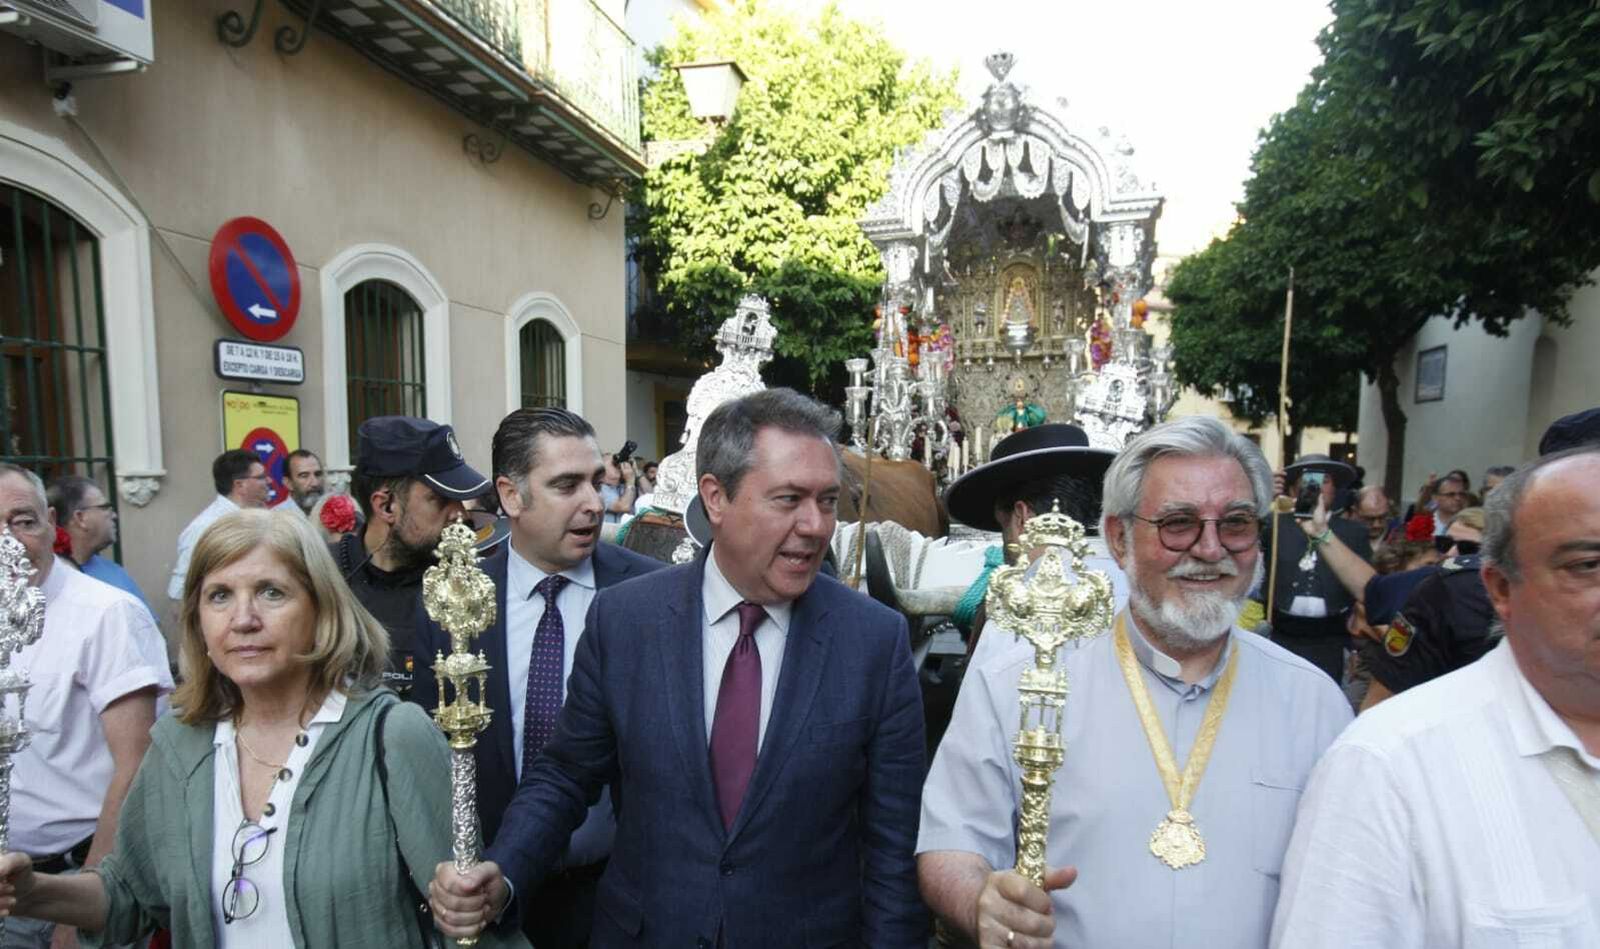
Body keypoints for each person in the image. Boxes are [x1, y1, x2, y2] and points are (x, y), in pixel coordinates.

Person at [428, 388, 927, 947]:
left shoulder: (874, 643)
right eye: (788, 499)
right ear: (715, 497)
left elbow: (892, 852)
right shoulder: (626, 621)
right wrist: (506, 873)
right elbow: (566, 775)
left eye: (828, 500)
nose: (815, 525)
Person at [0, 509, 529, 948]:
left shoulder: (390, 736)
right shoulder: (180, 745)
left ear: (322, 610)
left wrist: (470, 904)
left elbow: (466, 920)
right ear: (198, 621)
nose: (243, 619)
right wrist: (28, 891)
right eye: (219, 595)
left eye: (272, 592)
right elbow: (126, 896)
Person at [918, 417, 1351, 949]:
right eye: (1178, 523)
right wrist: (982, 900)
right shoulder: (1019, 682)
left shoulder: (1314, 704)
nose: (1211, 549)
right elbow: (951, 841)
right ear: (1119, 539)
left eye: (1235, 524)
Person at [1271, 447, 1600, 946]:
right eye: (1588, 564)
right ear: (1500, 588)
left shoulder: (1353, 534)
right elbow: (1376, 597)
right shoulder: (1388, 767)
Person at [412, 407, 662, 948]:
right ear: (510, 495)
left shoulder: (653, 596)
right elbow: (430, 756)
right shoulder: (453, 599)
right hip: (492, 899)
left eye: (596, 482)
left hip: (620, 896)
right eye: (566, 485)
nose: (593, 503)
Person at [0, 464, 173, 949]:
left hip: (72, 879)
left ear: (52, 522)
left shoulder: (105, 615)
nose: (8, 541)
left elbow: (136, 766)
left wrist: (84, 909)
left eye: (22, 521)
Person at [328, 416, 489, 696]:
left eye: (459, 499)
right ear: (386, 506)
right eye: (439, 499)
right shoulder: (321, 576)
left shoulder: (464, 588)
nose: (460, 513)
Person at [941, 423, 1126, 661]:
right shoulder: (1134, 597)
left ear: (1022, 517)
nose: (1004, 542)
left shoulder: (1006, 618)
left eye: (1002, 526)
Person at [1358, 507, 1493, 710]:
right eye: (1445, 544)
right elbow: (1380, 696)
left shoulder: (1515, 604)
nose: (1450, 553)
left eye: (1468, 549)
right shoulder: (1429, 588)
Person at [1265, 454, 1372, 682]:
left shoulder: (1354, 532)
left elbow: (1367, 589)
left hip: (1330, 639)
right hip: (1281, 636)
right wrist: (1264, 498)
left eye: (1325, 481)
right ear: (1293, 490)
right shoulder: (1273, 524)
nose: (1316, 488)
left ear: (1334, 490)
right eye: (1309, 481)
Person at [168, 449, 271, 600]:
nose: (269, 481)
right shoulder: (206, 526)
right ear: (240, 485)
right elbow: (180, 589)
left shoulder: (260, 517)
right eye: (261, 477)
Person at [45, 475, 153, 615]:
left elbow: (151, 628)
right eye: (105, 507)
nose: (114, 515)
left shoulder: (115, 572)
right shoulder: (47, 578)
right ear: (80, 518)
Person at [272, 449, 326, 516]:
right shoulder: (276, 518)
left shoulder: (334, 512)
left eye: (318, 474)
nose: (315, 483)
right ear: (288, 483)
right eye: (304, 476)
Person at [598, 455, 636, 526]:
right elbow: (623, 506)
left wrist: (636, 472)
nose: (619, 466)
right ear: (602, 470)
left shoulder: (625, 486)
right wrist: (630, 481)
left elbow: (650, 493)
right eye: (614, 464)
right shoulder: (598, 489)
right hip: (608, 536)